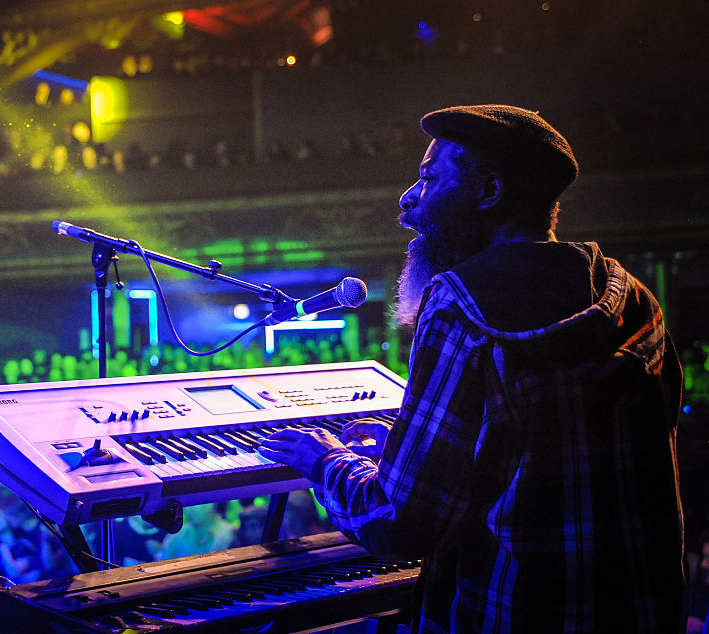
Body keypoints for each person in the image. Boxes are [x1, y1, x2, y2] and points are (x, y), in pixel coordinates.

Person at [259, 105, 686, 632]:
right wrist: (402, 440)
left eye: (428, 177)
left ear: (489, 192)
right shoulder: (634, 297)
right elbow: (541, 445)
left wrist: (325, 459)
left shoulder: (461, 306)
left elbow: (400, 523)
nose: (408, 200)